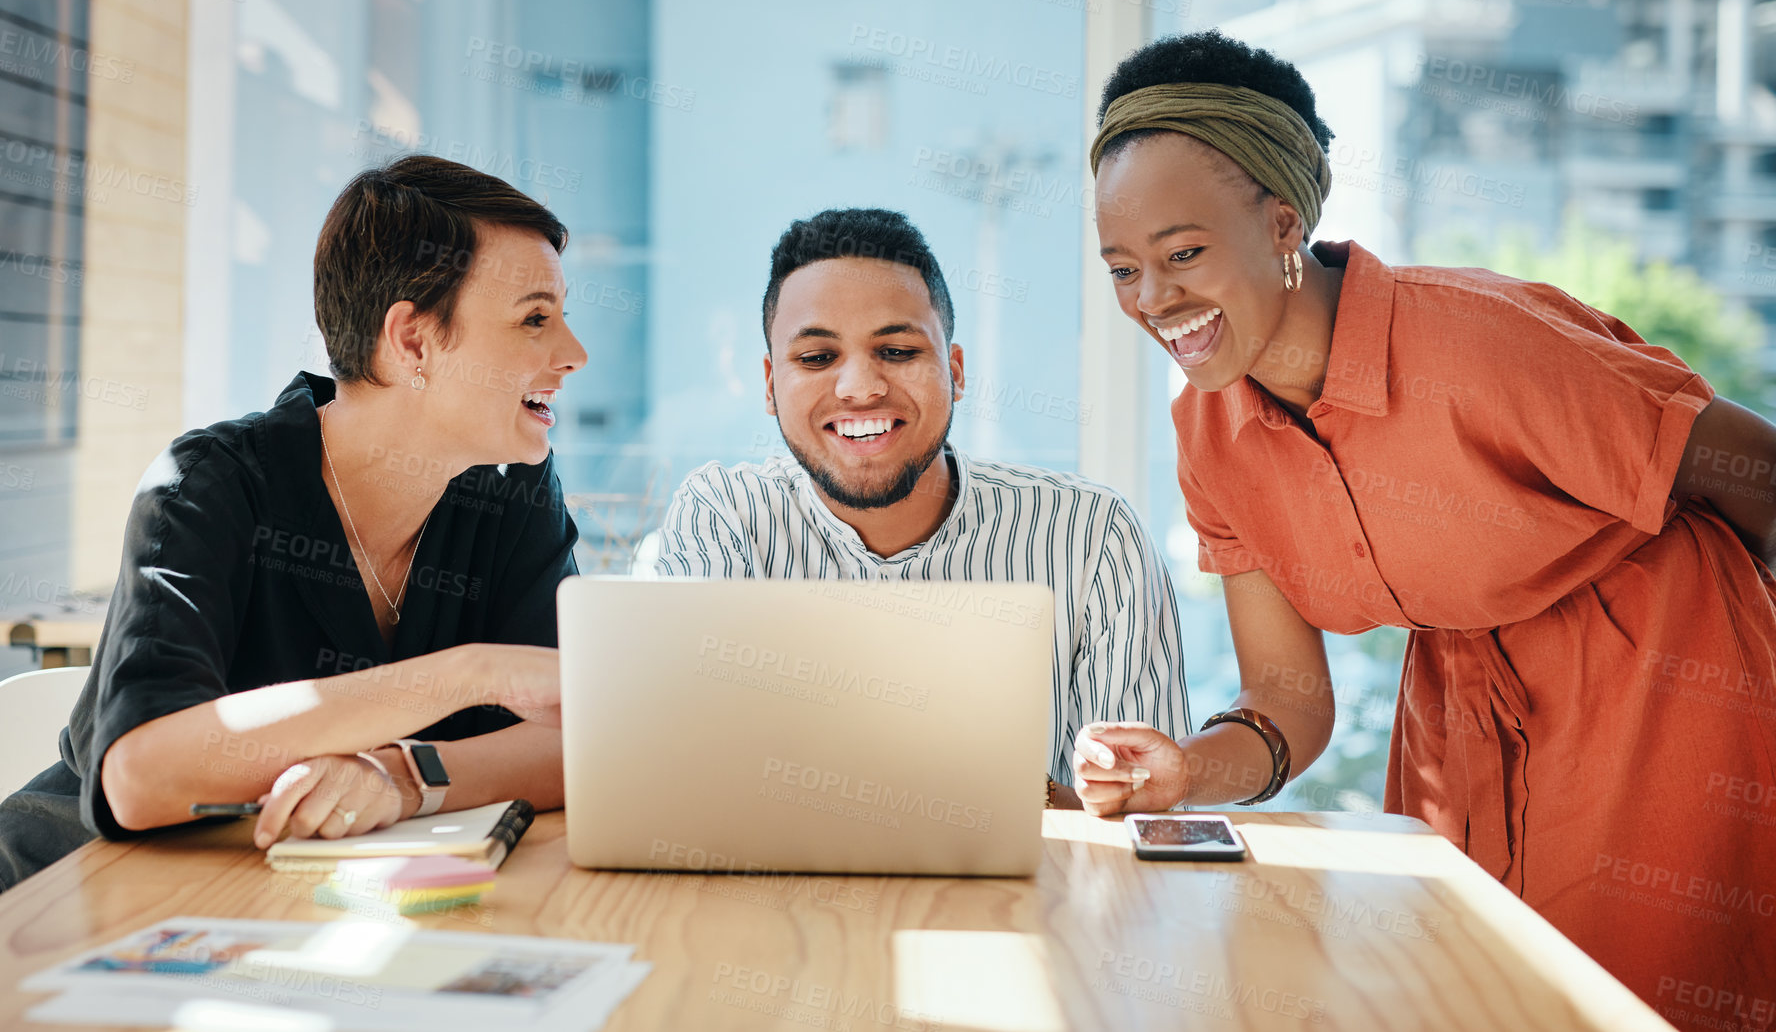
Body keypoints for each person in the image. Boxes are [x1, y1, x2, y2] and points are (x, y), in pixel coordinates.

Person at [1067, 30, 1776, 1006]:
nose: (1154, 299)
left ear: (1282, 226)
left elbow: (1759, 473)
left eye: (1182, 253)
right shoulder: (1210, 433)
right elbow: (1291, 704)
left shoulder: (1480, 340)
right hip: (1458, 722)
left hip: (1665, 690)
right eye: (1122, 268)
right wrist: (1184, 768)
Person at [0, 156, 587, 891]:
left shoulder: (513, 493)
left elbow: (583, 736)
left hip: (305, 915)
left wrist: (404, 776)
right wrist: (473, 674)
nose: (573, 354)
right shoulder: (210, 483)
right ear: (412, 342)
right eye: (535, 318)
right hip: (70, 908)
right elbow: (142, 775)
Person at [654, 207, 1190, 804]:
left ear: (954, 371)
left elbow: (1146, 811)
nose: (860, 387)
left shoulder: (1093, 534)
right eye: (815, 358)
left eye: (898, 351)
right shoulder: (722, 516)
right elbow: (694, 779)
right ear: (769, 384)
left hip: (1035, 896)